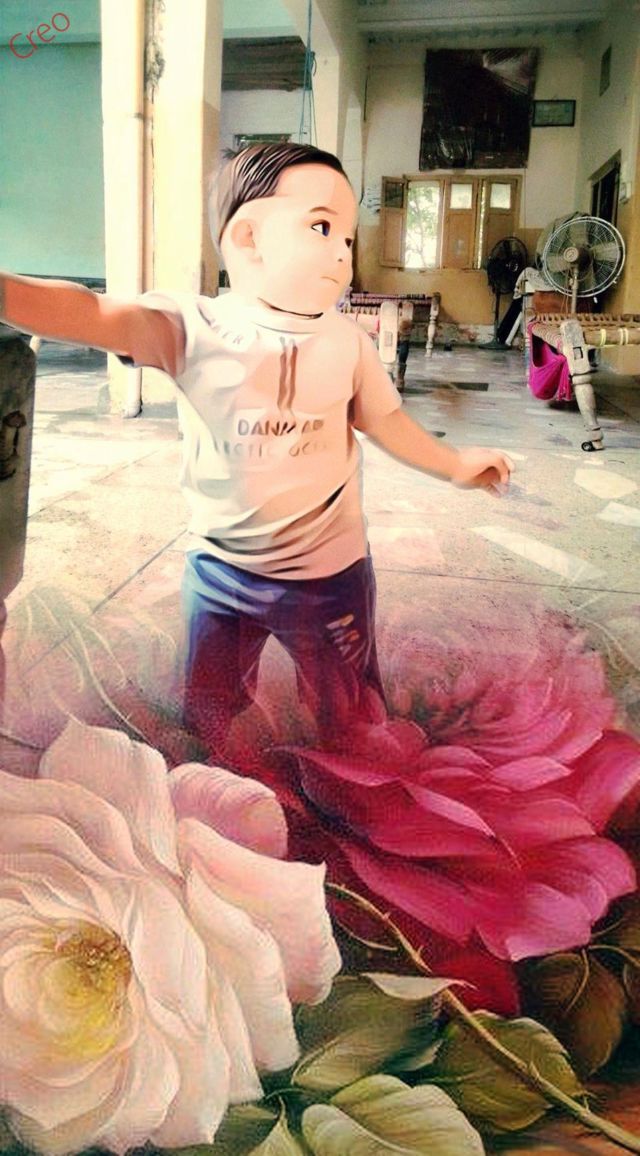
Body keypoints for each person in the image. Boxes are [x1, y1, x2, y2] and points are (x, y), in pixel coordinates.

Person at [0, 142, 513, 754]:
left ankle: (348, 760)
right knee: (207, 709)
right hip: (220, 573)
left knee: (349, 712)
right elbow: (92, 311)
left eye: (348, 238)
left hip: (330, 576)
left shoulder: (347, 342)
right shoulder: (192, 328)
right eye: (322, 228)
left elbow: (385, 421)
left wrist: (453, 465)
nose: (342, 254)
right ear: (247, 238)